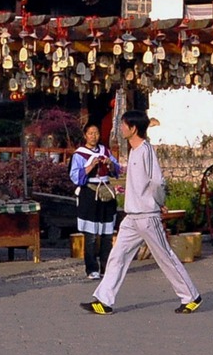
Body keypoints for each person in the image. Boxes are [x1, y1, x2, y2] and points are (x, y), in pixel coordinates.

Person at [83, 111, 201, 315]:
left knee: (165, 256)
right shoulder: (134, 151)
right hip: (132, 217)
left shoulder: (146, 151)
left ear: (133, 128)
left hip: (147, 215)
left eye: (123, 125)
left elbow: (157, 182)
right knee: (117, 255)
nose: (120, 128)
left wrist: (159, 202)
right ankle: (104, 300)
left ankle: (191, 297)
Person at [69, 122, 119, 280]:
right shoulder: (79, 155)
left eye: (96, 133)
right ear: (85, 136)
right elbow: (75, 176)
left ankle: (106, 267)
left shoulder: (105, 151)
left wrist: (110, 164)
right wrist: (90, 166)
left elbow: (116, 170)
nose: (93, 136)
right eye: (90, 133)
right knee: (90, 235)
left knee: (106, 233)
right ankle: (92, 269)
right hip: (89, 194)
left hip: (105, 193)